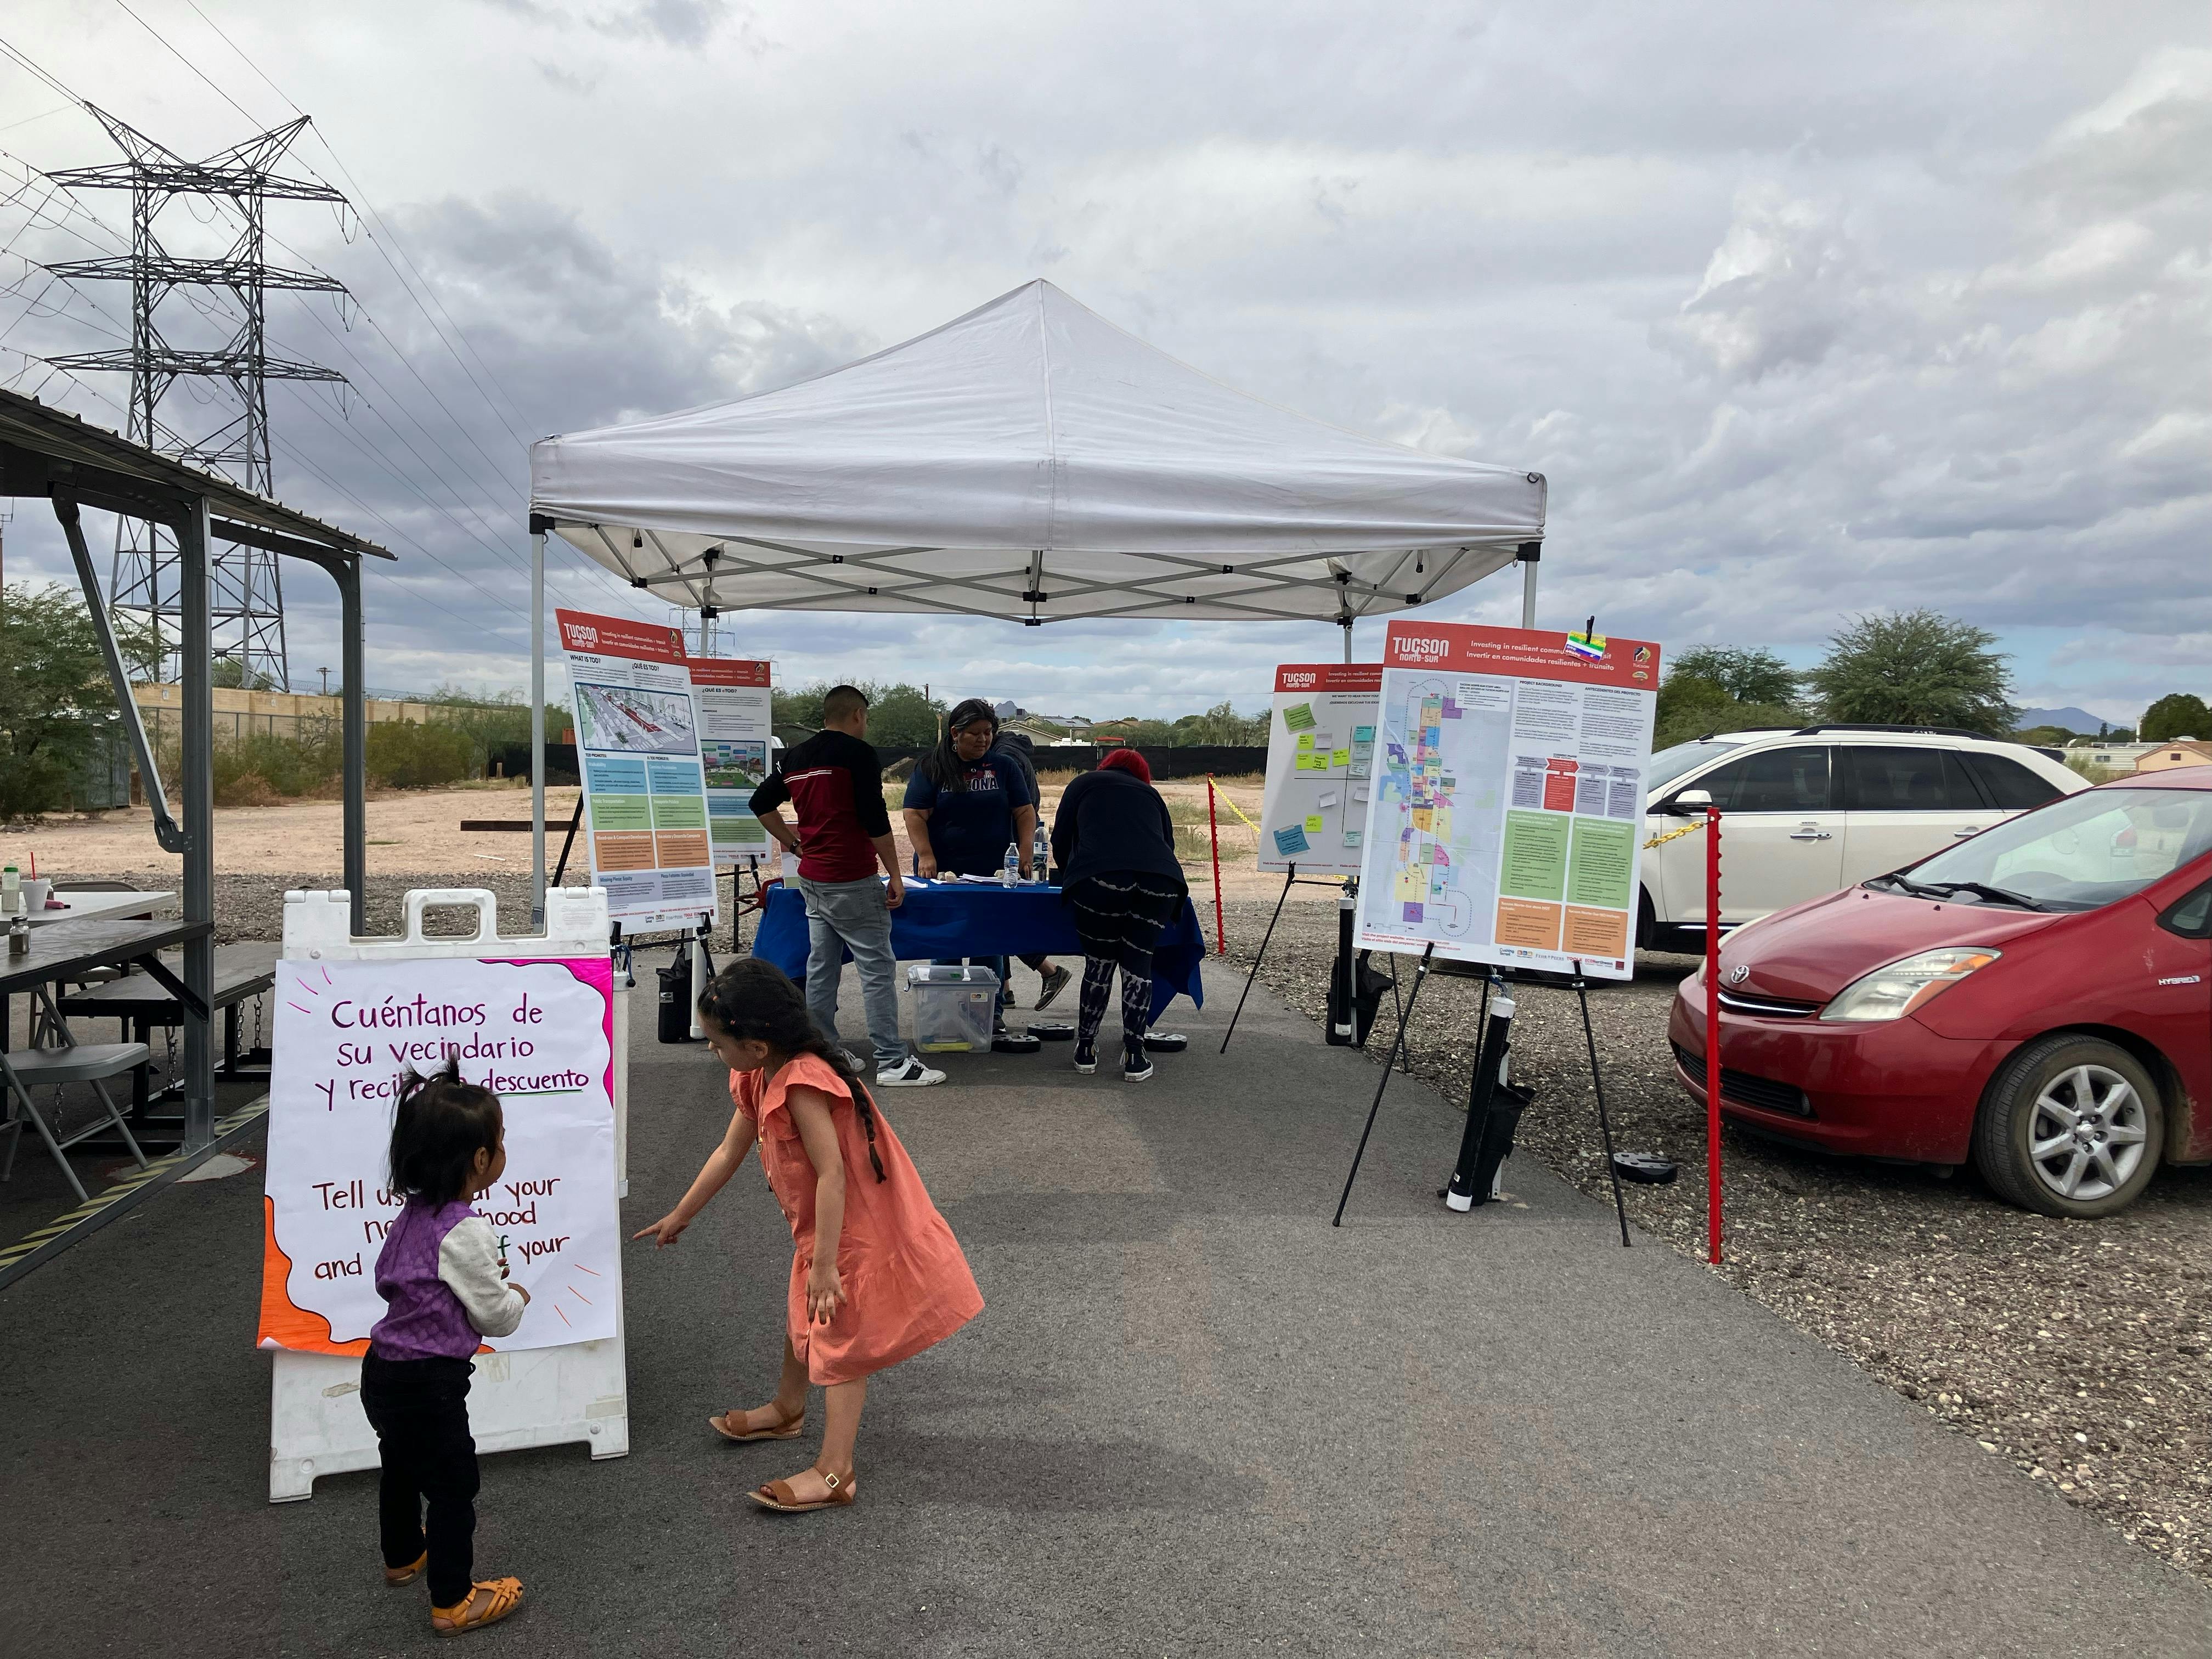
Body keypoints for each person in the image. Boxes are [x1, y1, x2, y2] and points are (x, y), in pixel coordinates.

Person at [633, 960, 983, 1513]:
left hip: (855, 1225)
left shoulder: (801, 1083)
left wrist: (825, 1265)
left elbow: (833, 1173)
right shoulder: (756, 1074)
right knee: (805, 1312)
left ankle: (836, 1471)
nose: (711, 1051)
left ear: (758, 1043)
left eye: (719, 1042)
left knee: (841, 1337)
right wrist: (683, 1212)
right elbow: (730, 1148)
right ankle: (788, 1410)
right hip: (823, 1225)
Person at [360, 1059, 529, 1638]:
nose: (503, 1150)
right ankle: (453, 1601)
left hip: (383, 1371)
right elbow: (496, 1316)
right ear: (481, 1160)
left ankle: (403, 1555)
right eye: (500, 1141)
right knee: (455, 1488)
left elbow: (389, 1280)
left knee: (400, 1467)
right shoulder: (467, 1231)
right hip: (430, 1385)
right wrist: (517, 1295)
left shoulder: (410, 1219)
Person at [751, 684, 942, 1088]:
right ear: (858, 715)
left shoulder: (797, 757)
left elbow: (760, 803)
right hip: (852, 877)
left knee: (821, 967)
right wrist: (893, 873)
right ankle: (892, 1061)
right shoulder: (859, 754)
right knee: (876, 968)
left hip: (814, 879)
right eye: (867, 718)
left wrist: (792, 844)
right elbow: (875, 820)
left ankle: (824, 1053)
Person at [1049, 748, 1188, 1082]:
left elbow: (1060, 838)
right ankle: (1136, 1056)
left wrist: (1072, 876)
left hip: (1100, 879)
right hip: (1161, 881)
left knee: (1099, 963)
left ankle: (1085, 1050)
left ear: (1105, 765)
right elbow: (1167, 845)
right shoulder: (1151, 794)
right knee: (1138, 964)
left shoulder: (1083, 784)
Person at [902, 698, 1037, 1031]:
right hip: (944, 871)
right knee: (947, 941)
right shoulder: (932, 767)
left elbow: (1024, 812)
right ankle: (946, 1014)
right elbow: (915, 814)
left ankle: (989, 1017)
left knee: (988, 942)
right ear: (955, 734)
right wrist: (927, 855)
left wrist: (1025, 852)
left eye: (988, 732)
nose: (983, 740)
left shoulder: (1004, 767)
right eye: (975, 733)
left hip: (992, 872)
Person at [989, 726, 1073, 1011]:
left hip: (1011, 849)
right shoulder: (1018, 755)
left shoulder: (1004, 757)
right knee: (997, 919)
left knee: (999, 920)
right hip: (1020, 846)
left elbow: (1015, 808)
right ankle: (1005, 989)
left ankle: (1048, 970)